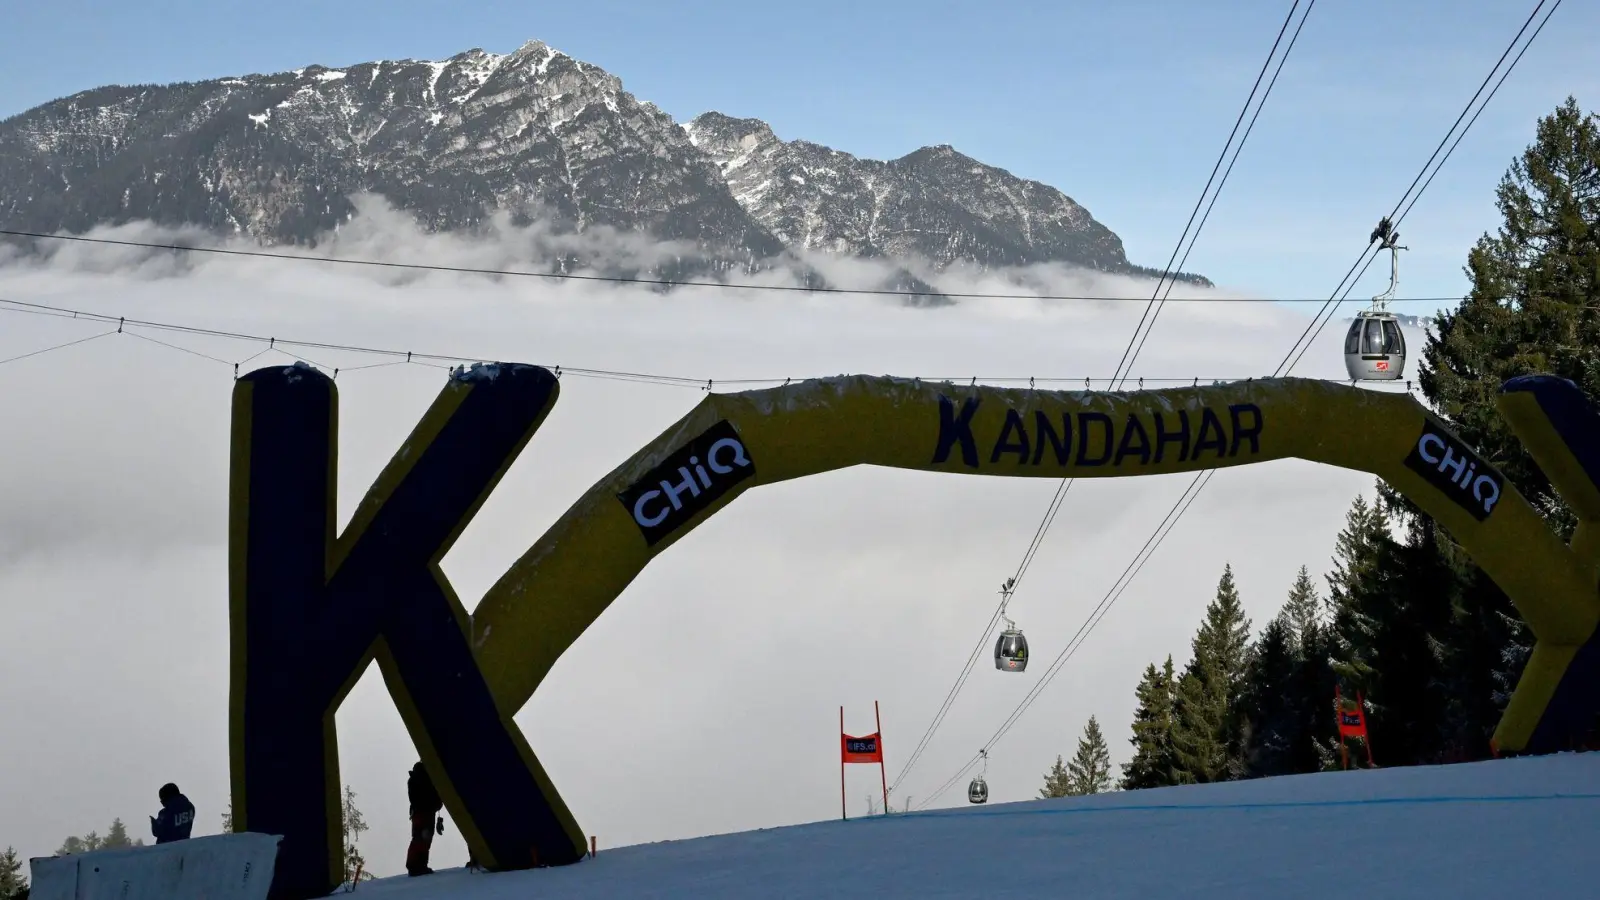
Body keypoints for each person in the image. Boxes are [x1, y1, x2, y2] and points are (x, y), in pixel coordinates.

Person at [406, 762, 444, 877]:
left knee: (420, 838)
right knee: (423, 838)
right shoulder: (425, 780)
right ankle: (418, 866)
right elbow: (432, 796)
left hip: (420, 813)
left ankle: (417, 865)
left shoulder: (414, 780)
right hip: (425, 812)